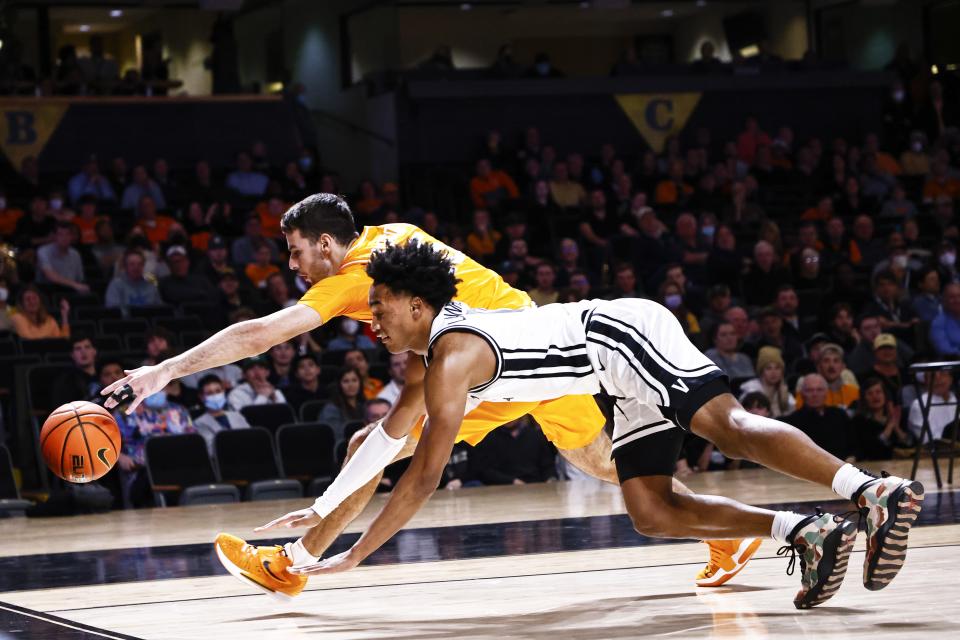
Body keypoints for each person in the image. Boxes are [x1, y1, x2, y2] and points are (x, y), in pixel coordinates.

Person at [102, 194, 755, 599]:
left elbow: (260, 335)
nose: (295, 267)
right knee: (600, 461)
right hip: (529, 338)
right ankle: (723, 530)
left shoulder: (352, 280)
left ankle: (293, 563)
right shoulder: (391, 232)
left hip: (492, 359)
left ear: (328, 245)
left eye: (299, 253)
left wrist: (165, 369)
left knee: (375, 444)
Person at [277, 240, 923, 610]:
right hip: (610, 373)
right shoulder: (435, 350)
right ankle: (805, 531)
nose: (372, 321)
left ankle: (870, 492)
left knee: (727, 427)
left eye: (380, 306)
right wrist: (334, 518)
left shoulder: (449, 358)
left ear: (417, 305)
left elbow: (421, 480)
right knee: (650, 508)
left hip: (622, 334)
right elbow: (392, 446)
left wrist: (353, 555)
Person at [850, 377, 911, 461]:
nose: (875, 396)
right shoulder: (859, 421)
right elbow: (871, 449)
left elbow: (909, 444)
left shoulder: (898, 416)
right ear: (864, 398)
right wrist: (889, 427)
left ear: (885, 395)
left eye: (878, 392)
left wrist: (896, 428)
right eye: (870, 393)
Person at [193, 375, 251, 455]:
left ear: (223, 391)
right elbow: (211, 451)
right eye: (209, 393)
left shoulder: (237, 416)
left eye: (218, 391)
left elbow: (251, 439)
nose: (215, 396)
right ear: (201, 397)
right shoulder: (198, 423)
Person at [738, 347, 796, 418]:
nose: (773, 373)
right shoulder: (750, 390)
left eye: (777, 368)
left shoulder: (784, 391)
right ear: (761, 372)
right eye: (768, 368)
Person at [320, 367, 367, 440]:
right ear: (339, 385)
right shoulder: (331, 410)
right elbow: (336, 436)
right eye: (346, 381)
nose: (351, 385)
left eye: (354, 380)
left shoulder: (365, 405)